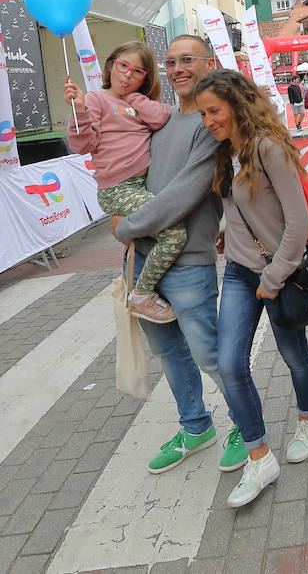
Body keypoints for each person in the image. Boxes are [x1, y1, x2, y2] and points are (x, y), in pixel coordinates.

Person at [110, 36, 247, 475]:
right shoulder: (160, 121)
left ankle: (247, 425)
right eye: (170, 62)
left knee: (209, 354)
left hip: (188, 260)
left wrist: (126, 227)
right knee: (170, 353)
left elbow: (184, 193)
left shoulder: (211, 125)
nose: (177, 68)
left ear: (209, 63)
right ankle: (195, 427)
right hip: (145, 262)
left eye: (187, 59)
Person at [193, 69, 308, 509]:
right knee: (230, 365)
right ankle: (260, 456)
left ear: (237, 104)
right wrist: (230, 229)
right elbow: (242, 205)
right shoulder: (225, 153)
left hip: (278, 274)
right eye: (203, 113)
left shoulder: (268, 147)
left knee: (293, 356)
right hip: (239, 272)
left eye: (214, 111)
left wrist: (273, 277)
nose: (207, 120)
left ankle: (307, 419)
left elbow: (298, 222)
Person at [66, 42, 186, 324]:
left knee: (156, 235)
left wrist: (136, 99)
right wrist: (80, 109)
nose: (127, 75)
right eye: (123, 66)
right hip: (118, 189)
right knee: (174, 234)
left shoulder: (138, 103)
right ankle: (142, 295)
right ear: (111, 65)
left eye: (137, 71)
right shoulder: (96, 99)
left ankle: (146, 283)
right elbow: (83, 144)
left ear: (146, 78)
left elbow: (161, 117)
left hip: (138, 187)